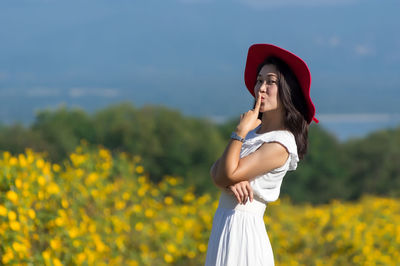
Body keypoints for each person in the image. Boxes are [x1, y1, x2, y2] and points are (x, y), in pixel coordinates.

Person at [205, 43, 318, 266]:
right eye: (259, 80)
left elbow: (222, 174)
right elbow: (216, 172)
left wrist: (238, 133)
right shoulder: (254, 132)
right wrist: (230, 180)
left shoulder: (280, 143)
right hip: (225, 223)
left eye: (271, 81)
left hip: (242, 231)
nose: (261, 88)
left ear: (289, 90)